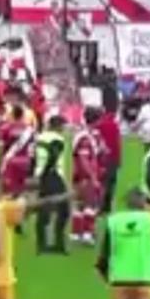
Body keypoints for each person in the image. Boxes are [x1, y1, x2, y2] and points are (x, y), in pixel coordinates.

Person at [33, 115, 70, 254]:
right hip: (52, 175)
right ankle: (57, 244)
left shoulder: (40, 137)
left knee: (44, 208)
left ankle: (42, 244)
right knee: (63, 210)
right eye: (63, 126)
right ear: (57, 126)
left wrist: (37, 175)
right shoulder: (57, 139)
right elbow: (52, 157)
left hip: (42, 174)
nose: (64, 129)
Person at [70, 108, 105, 246]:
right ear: (96, 120)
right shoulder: (85, 138)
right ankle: (87, 233)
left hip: (79, 174)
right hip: (85, 175)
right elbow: (84, 160)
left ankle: (76, 233)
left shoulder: (88, 135)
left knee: (79, 204)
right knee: (91, 204)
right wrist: (93, 177)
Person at [0, 104, 35, 206]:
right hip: (25, 161)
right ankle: (19, 213)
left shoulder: (5, 128)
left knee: (7, 190)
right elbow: (33, 149)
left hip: (10, 161)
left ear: (12, 114)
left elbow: (0, 148)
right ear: (23, 115)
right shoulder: (29, 129)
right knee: (20, 189)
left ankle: (9, 213)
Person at [95, 106, 122, 213]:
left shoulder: (99, 125)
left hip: (103, 158)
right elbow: (117, 143)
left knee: (103, 183)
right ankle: (108, 207)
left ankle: (100, 207)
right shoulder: (114, 125)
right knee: (111, 183)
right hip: (114, 157)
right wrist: (119, 159)